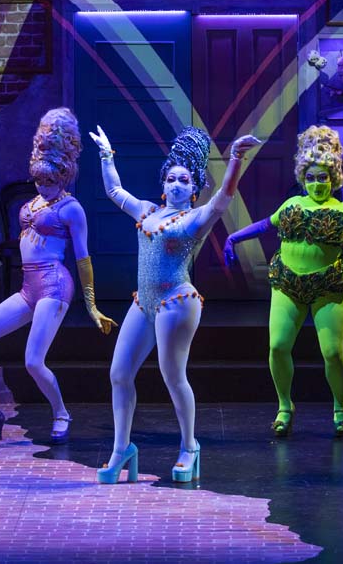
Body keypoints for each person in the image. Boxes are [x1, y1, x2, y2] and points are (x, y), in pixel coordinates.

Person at [89, 124, 262, 483]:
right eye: (171, 179)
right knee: (119, 374)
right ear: (163, 184)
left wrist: (234, 159)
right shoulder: (147, 211)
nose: (177, 185)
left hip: (177, 300)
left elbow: (223, 199)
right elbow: (114, 190)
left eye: (185, 180)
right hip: (144, 302)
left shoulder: (195, 218)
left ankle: (189, 446)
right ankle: (122, 449)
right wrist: (106, 154)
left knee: (172, 375)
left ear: (194, 188)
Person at [224, 125, 343, 439]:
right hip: (287, 284)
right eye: (312, 177)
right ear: (303, 178)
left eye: (323, 177)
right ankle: (284, 406)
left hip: (329, 286)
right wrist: (233, 238)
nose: (317, 184)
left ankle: (340, 407)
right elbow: (264, 225)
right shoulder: (291, 206)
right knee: (277, 346)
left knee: (332, 352)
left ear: (334, 178)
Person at [0, 108, 115, 445]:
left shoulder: (71, 208)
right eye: (40, 181)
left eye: (51, 182)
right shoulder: (32, 204)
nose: (44, 187)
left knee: (33, 360)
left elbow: (83, 259)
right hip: (28, 286)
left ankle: (61, 413)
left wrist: (91, 305)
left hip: (54, 284)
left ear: (64, 176)